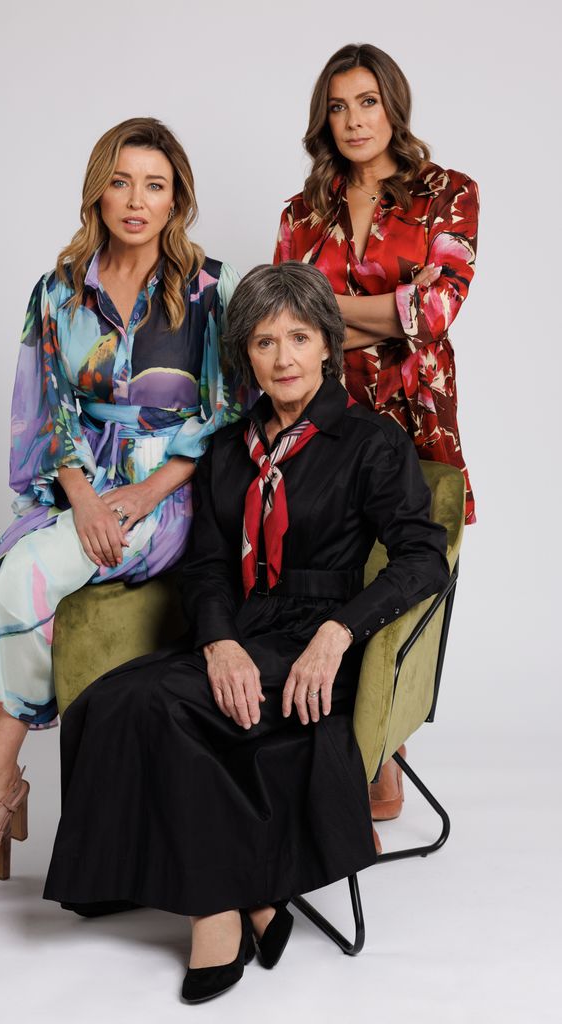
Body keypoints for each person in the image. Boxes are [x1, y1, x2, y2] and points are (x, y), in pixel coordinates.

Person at [44, 262, 449, 1002]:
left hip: (321, 644)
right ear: (246, 356)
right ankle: (250, 896)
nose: (283, 357)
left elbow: (423, 558)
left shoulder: (370, 441)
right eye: (264, 342)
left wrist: (338, 633)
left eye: (299, 337)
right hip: (243, 630)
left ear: (328, 344)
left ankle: (214, 917)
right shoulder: (229, 449)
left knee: (163, 707)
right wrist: (218, 641)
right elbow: (204, 568)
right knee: (107, 701)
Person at [0, 117, 247, 906]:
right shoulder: (57, 290)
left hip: (165, 495)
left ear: (176, 199)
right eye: (120, 181)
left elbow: (223, 414)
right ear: (97, 192)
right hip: (79, 485)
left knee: (22, 580)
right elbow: (44, 414)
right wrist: (81, 499)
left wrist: (141, 495)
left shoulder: (209, 291)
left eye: (154, 184)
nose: (135, 200)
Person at [274, 43, 479, 824]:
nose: (354, 119)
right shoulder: (302, 213)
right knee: (327, 574)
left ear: (392, 103)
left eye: (367, 101)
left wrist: (322, 318)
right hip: (319, 420)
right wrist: (386, 312)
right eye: (338, 105)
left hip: (415, 419)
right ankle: (348, 749)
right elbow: (278, 321)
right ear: (322, 117)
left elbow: (435, 314)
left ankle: (384, 747)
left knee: (401, 572)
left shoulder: (446, 195)